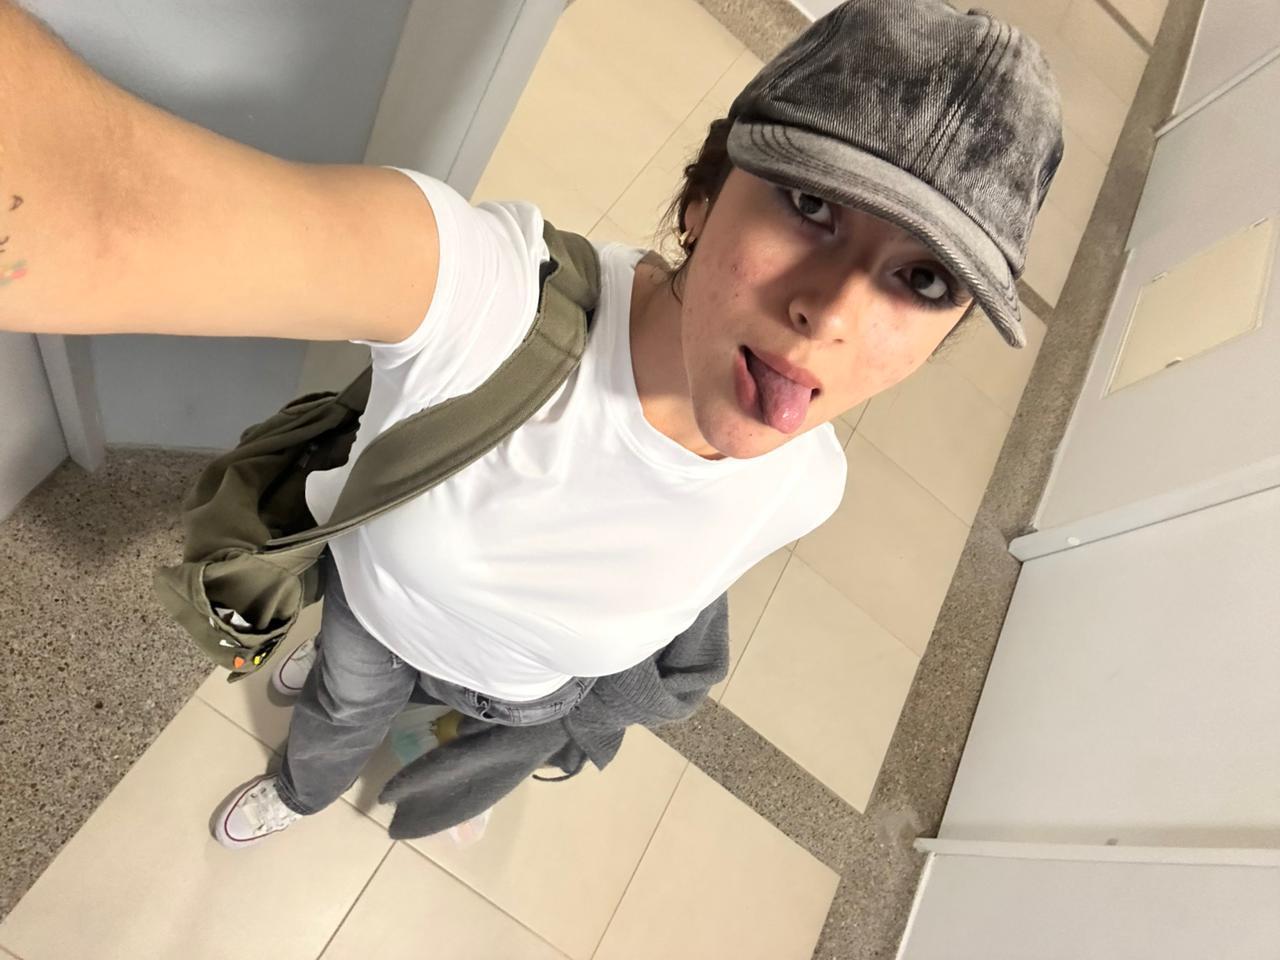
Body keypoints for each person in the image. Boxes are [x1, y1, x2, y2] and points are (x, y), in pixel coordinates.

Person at [0, 0, 1063, 848]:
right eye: (811, 206)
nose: (831, 314)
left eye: (921, 279)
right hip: (376, 619)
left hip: (519, 699)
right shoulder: (491, 300)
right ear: (702, 198)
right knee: (337, 708)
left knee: (441, 739)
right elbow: (101, 214)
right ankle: (304, 790)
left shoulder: (809, 486)